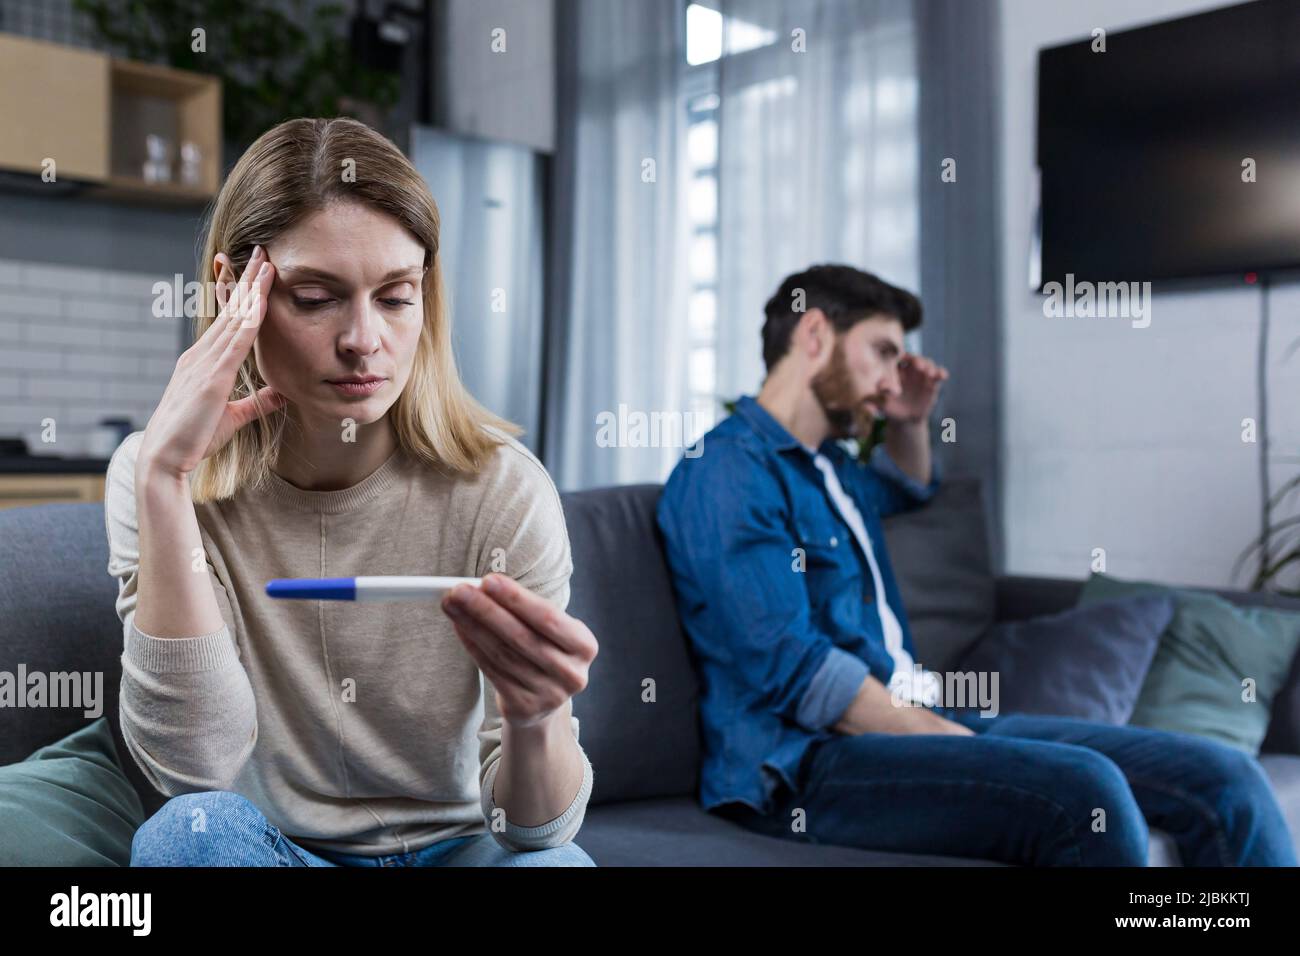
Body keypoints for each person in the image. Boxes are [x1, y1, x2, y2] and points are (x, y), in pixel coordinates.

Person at [655, 263, 1296, 866]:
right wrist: (943, 736)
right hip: (807, 762)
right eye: (883, 351)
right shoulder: (727, 471)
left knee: (1224, 776)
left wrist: (907, 422)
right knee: (1089, 793)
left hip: (908, 719)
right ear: (815, 332)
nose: (890, 378)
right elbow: (794, 671)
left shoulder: (831, 470)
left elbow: (909, 488)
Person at [106, 117, 596, 867]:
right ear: (235, 289)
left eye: (395, 297)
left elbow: (535, 832)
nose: (363, 340)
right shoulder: (155, 477)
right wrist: (169, 484)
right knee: (186, 837)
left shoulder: (505, 489)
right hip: (280, 853)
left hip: (460, 849)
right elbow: (192, 769)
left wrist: (536, 720)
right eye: (315, 297)